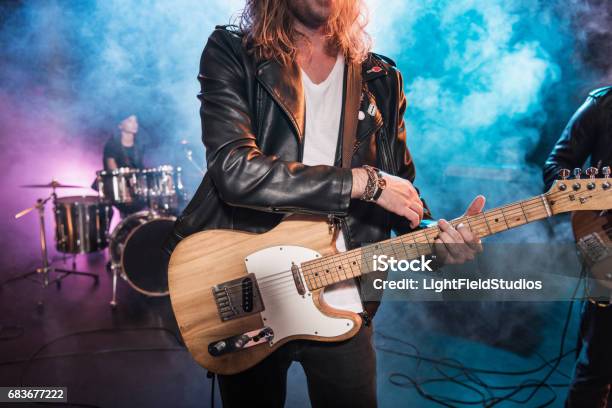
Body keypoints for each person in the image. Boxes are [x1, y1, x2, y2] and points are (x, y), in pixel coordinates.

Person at [165, 1, 484, 406]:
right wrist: (362, 183)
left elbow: (402, 196)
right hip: (252, 285)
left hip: (343, 294)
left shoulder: (381, 77)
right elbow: (235, 172)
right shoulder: (234, 51)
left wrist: (435, 243)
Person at [544, 85, 612, 408]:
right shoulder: (603, 104)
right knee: (597, 368)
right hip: (606, 241)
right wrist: (595, 190)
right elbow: (555, 170)